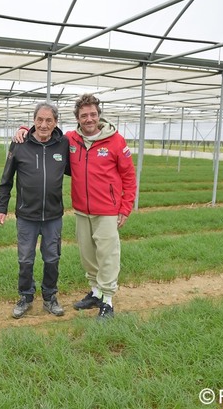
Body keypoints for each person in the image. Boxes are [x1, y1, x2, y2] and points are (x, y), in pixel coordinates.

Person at [15, 93, 137, 319]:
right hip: (82, 209)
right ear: (78, 119)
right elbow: (45, 131)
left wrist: (125, 207)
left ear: (99, 115)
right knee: (88, 255)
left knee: (107, 255)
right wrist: (24, 129)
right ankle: (95, 292)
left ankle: (107, 300)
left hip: (107, 210)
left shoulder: (116, 141)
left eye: (92, 114)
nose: (89, 119)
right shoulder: (70, 140)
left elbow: (129, 176)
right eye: (84, 115)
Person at [0, 101, 70, 319]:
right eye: (39, 119)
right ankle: (26, 297)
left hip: (53, 216)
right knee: (25, 259)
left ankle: (50, 297)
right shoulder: (20, 143)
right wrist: (1, 207)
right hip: (27, 215)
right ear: (33, 120)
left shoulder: (63, 144)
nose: (44, 125)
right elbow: (6, 179)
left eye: (49, 120)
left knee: (52, 258)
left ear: (56, 122)